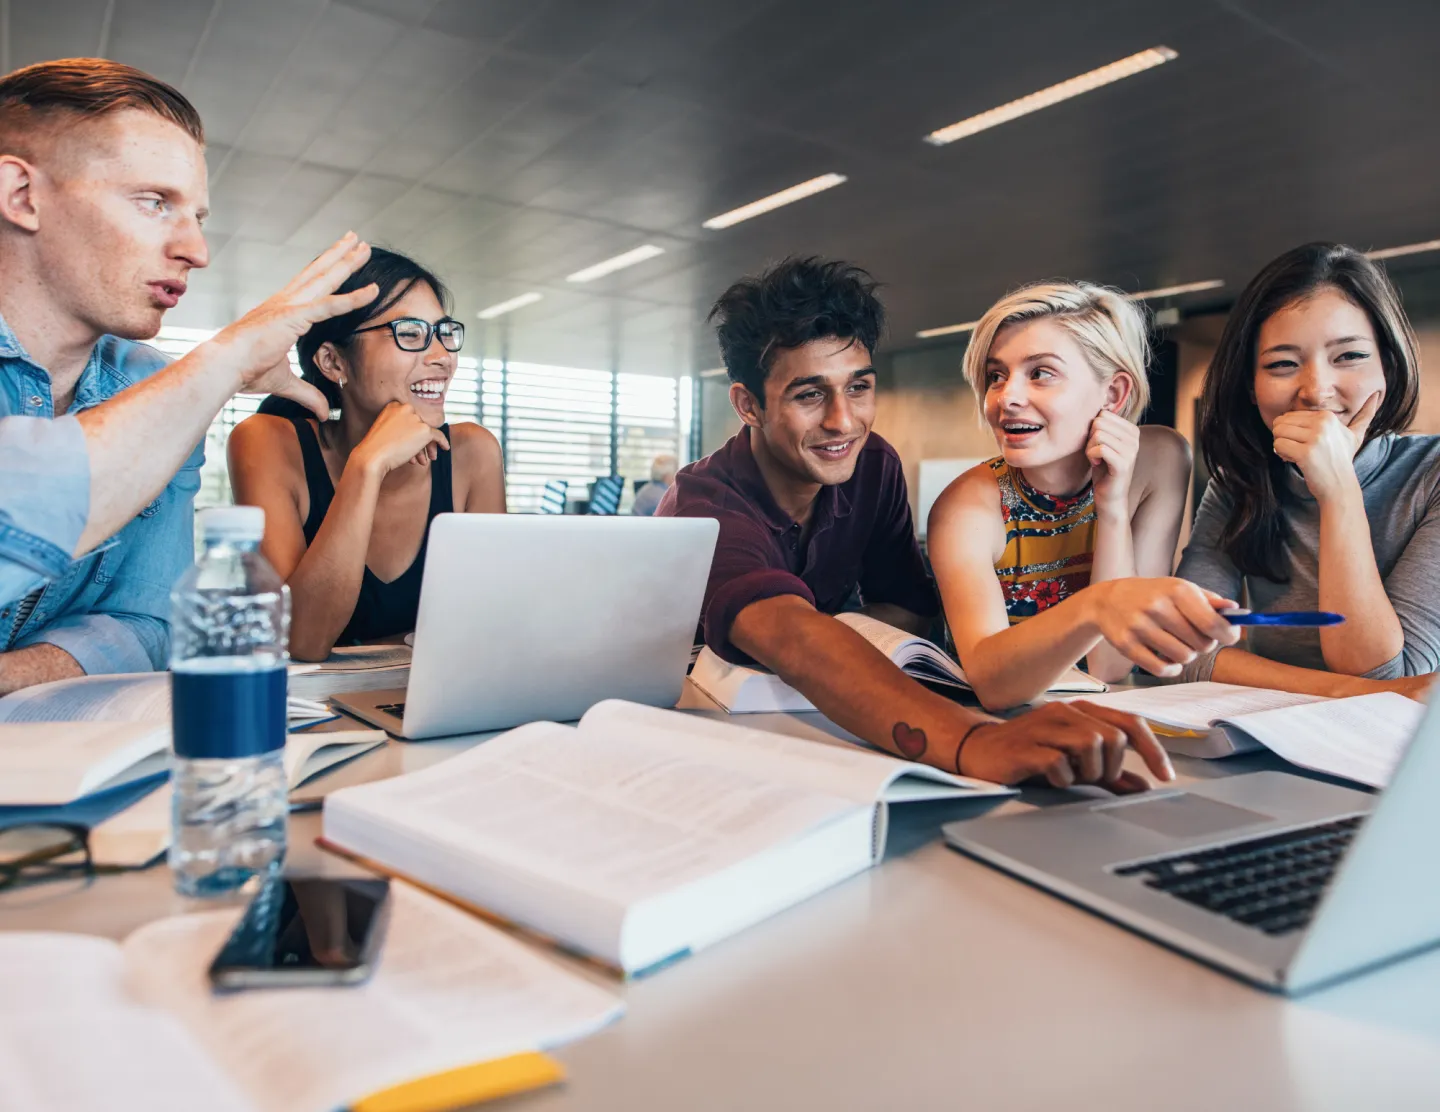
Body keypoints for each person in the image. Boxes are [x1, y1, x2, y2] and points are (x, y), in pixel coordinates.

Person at [659, 257, 1175, 791]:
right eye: (810, 395)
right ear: (748, 405)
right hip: (696, 735)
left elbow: (907, 608)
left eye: (858, 387)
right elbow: (787, 633)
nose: (843, 421)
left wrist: (836, 638)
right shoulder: (706, 502)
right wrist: (973, 740)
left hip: (818, 721)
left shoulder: (871, 466)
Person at [0, 57, 361, 695]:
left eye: (197, 216)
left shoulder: (150, 384)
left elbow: (151, 622)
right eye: (154, 202)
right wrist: (224, 360)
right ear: (22, 196)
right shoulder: (185, 390)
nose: (195, 251)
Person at [927, 282, 1240, 710]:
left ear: (1113, 394)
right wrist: (1099, 605)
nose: (1006, 398)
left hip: (1100, 711)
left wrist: (1111, 508)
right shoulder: (967, 506)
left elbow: (1115, 663)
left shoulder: (1160, 460)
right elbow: (992, 685)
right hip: (988, 722)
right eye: (996, 376)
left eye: (1040, 373)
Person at [1178, 242, 1440, 699]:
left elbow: (1384, 673)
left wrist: (1338, 490)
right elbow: (1182, 650)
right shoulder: (1238, 480)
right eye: (1282, 364)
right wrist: (1337, 691)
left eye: (1349, 356)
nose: (1316, 391)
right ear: (1251, 387)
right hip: (1273, 740)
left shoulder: (1432, 473)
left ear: (1389, 365)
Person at [228, 249, 504, 662]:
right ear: (333, 361)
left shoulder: (473, 452)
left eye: (444, 333)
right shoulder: (267, 442)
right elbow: (301, 639)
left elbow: (492, 626)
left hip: (428, 700)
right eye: (410, 333)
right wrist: (368, 465)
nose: (443, 357)